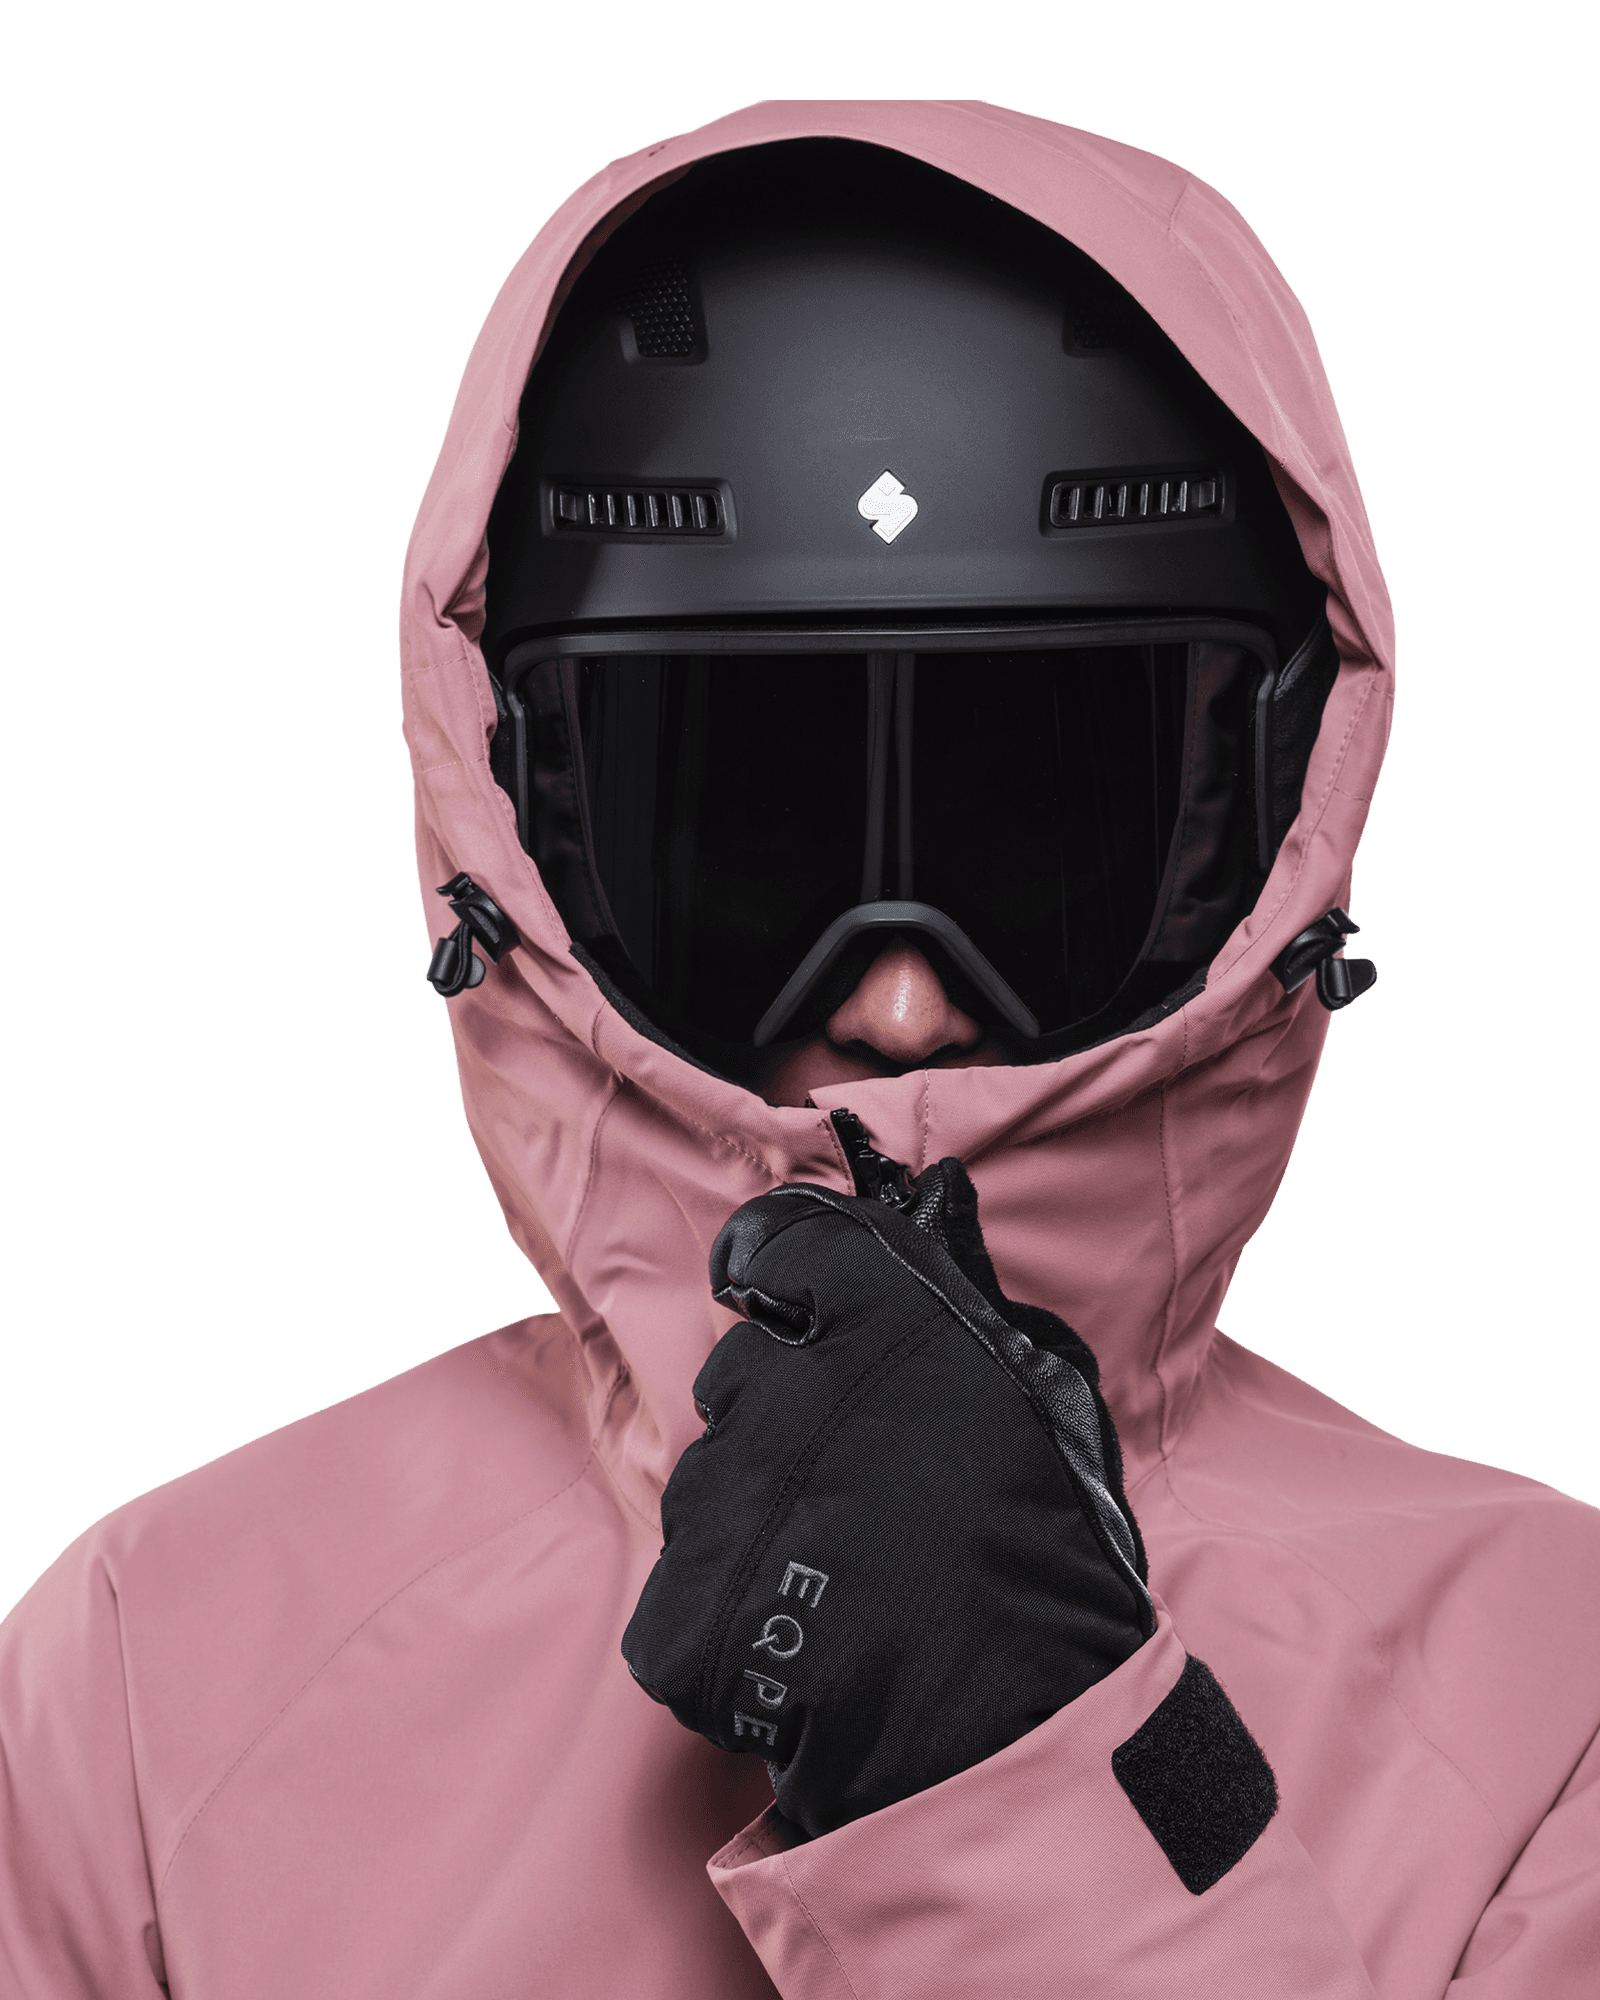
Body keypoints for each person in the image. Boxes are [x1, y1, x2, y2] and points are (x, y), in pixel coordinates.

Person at [1, 99, 1594, 1998]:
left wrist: (1030, 1765)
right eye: (750, 841)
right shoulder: (151, 1682)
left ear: (1273, 847)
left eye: (1045, 849)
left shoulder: (1555, 1705)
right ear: (513, 843)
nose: (900, 1006)